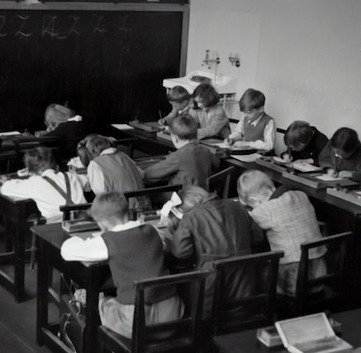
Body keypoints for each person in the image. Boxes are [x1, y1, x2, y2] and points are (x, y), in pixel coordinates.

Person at [61, 192, 184, 338]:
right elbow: (162, 246)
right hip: (173, 316)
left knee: (101, 301)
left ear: (102, 222)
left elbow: (66, 250)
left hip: (137, 325)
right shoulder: (153, 231)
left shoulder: (108, 241)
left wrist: (86, 240)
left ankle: (94, 347)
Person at [164, 185, 264, 317]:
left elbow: (181, 252)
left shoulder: (192, 216)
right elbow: (258, 237)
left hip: (211, 288)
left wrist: (170, 232)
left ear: (189, 204)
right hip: (247, 282)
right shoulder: (236, 206)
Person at [237, 170, 327, 296]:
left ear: (254, 200)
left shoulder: (263, 211)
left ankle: (264, 312)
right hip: (320, 275)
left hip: (293, 283)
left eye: (251, 205)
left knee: (251, 272)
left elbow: (245, 227)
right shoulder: (301, 195)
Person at [0, 147, 86, 222]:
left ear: (31, 170)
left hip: (56, 228)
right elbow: (87, 181)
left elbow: (5, 188)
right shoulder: (70, 176)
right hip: (85, 222)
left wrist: (13, 179)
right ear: (55, 165)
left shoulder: (34, 182)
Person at [144, 113, 220, 190]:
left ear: (175, 138)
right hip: (203, 196)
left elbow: (149, 175)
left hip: (182, 198)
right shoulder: (206, 150)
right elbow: (217, 163)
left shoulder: (177, 157)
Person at [86, 136, 149, 210]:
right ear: (107, 144)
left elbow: (100, 194)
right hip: (144, 206)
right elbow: (142, 175)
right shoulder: (124, 155)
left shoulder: (94, 164)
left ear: (93, 151)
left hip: (120, 211)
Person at [226, 88, 276, 153]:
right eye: (244, 112)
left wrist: (247, 144)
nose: (245, 115)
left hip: (261, 156)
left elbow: (269, 145)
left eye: (249, 113)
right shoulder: (245, 117)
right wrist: (231, 138)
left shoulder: (269, 122)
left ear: (261, 109)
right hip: (246, 153)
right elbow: (238, 132)